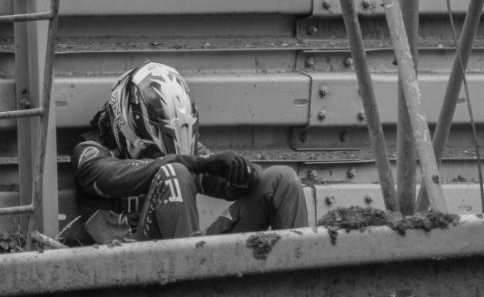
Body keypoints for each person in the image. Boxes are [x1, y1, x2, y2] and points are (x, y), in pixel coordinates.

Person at [71, 61, 308, 244]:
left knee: (281, 180)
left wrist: (244, 172)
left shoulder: (185, 155)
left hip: (192, 255)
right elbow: (108, 176)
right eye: (152, 150)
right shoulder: (89, 152)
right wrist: (189, 163)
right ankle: (189, 283)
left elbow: (232, 184)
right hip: (129, 264)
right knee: (173, 173)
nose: (161, 155)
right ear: (126, 125)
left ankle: (300, 283)